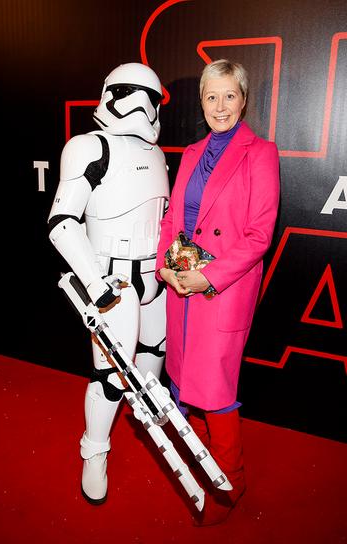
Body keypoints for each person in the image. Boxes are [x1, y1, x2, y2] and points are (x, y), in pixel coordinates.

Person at [155, 58, 280, 526]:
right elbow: (172, 221)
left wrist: (208, 277)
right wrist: (166, 268)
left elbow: (258, 234)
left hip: (222, 289)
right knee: (183, 378)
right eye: (212, 96)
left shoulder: (261, 152)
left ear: (244, 100)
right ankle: (197, 462)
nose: (220, 106)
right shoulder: (189, 152)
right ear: (202, 101)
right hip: (180, 286)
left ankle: (230, 481)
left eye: (230, 95)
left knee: (217, 386)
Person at [48, 62, 170, 504]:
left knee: (156, 356)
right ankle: (94, 450)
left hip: (156, 274)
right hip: (112, 278)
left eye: (150, 97)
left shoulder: (156, 154)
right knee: (111, 376)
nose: (140, 105)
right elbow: (61, 222)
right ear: (107, 94)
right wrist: (95, 281)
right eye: (127, 92)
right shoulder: (88, 147)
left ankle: (149, 419)